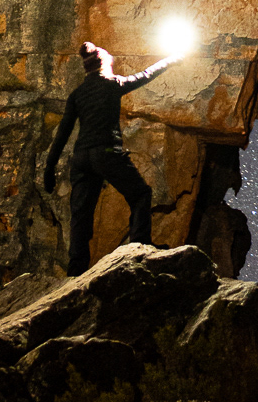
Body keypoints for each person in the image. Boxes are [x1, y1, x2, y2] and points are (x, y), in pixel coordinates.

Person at [43, 39, 184, 275]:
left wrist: (49, 168)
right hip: (106, 152)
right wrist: (172, 59)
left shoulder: (77, 95)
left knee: (81, 214)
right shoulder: (113, 83)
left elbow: (63, 133)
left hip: (81, 157)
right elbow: (147, 74)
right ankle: (140, 246)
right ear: (104, 63)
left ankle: (75, 270)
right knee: (140, 194)